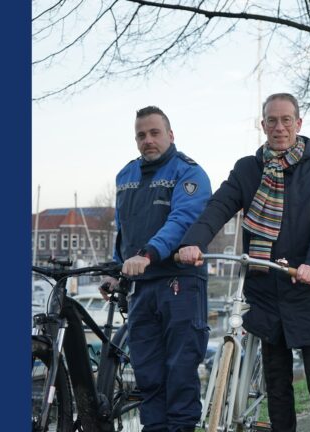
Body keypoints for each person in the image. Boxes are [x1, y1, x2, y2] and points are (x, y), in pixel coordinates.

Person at [177, 93, 310, 432]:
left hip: (308, 285)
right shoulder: (247, 169)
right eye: (272, 120)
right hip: (266, 288)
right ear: (262, 124)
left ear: (298, 123)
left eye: (286, 120)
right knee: (277, 387)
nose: (279, 127)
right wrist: (193, 243)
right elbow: (218, 207)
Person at [102, 106, 212, 432]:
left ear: (170, 134)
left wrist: (148, 254)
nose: (148, 140)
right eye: (141, 135)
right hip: (141, 285)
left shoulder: (189, 173)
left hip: (180, 283)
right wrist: (114, 269)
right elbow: (124, 229)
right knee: (147, 376)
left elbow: (182, 222)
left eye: (154, 133)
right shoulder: (126, 175)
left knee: (180, 373)